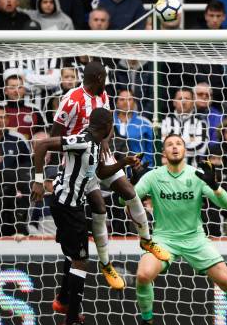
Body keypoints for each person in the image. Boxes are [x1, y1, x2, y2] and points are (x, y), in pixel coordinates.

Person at [51, 61, 169, 291]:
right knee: (99, 207)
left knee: (129, 191)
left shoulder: (102, 94)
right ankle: (106, 264)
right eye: (104, 76)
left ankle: (146, 239)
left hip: (101, 153)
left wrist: (105, 140)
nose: (106, 80)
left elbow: (108, 122)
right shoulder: (71, 100)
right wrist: (77, 150)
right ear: (96, 78)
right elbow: (55, 136)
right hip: (81, 158)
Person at [133, 134, 227, 325]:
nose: (174, 147)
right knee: (142, 275)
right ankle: (147, 321)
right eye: (169, 145)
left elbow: (225, 203)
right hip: (164, 239)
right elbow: (123, 202)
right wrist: (130, 186)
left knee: (226, 281)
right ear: (163, 152)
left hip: (195, 238)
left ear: (185, 150)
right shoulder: (153, 176)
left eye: (178, 144)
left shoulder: (197, 175)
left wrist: (215, 186)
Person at [30, 108, 138, 325]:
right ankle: (69, 321)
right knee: (81, 261)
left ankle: (62, 301)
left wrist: (124, 162)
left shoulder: (96, 144)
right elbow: (41, 145)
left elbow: (99, 173)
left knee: (75, 254)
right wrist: (39, 181)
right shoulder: (82, 140)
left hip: (73, 206)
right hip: (66, 206)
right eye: (112, 125)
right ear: (107, 126)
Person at [161, 87, 209, 166]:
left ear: (193, 102)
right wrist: (189, 141)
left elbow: (201, 148)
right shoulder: (164, 121)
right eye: (180, 99)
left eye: (187, 99)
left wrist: (171, 147)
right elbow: (160, 145)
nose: (183, 102)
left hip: (192, 169)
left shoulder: (201, 122)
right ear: (174, 102)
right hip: (166, 168)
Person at [113, 88, 155, 168]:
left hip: (137, 169)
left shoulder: (145, 123)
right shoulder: (109, 122)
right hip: (113, 169)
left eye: (129, 99)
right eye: (122, 99)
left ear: (134, 102)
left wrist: (148, 169)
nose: (126, 102)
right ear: (116, 103)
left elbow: (150, 152)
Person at [0, 72, 47, 140]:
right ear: (5, 91)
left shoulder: (34, 109)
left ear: (24, 90)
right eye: (12, 87)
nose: (16, 91)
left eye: (19, 87)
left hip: (29, 149)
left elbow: (44, 132)